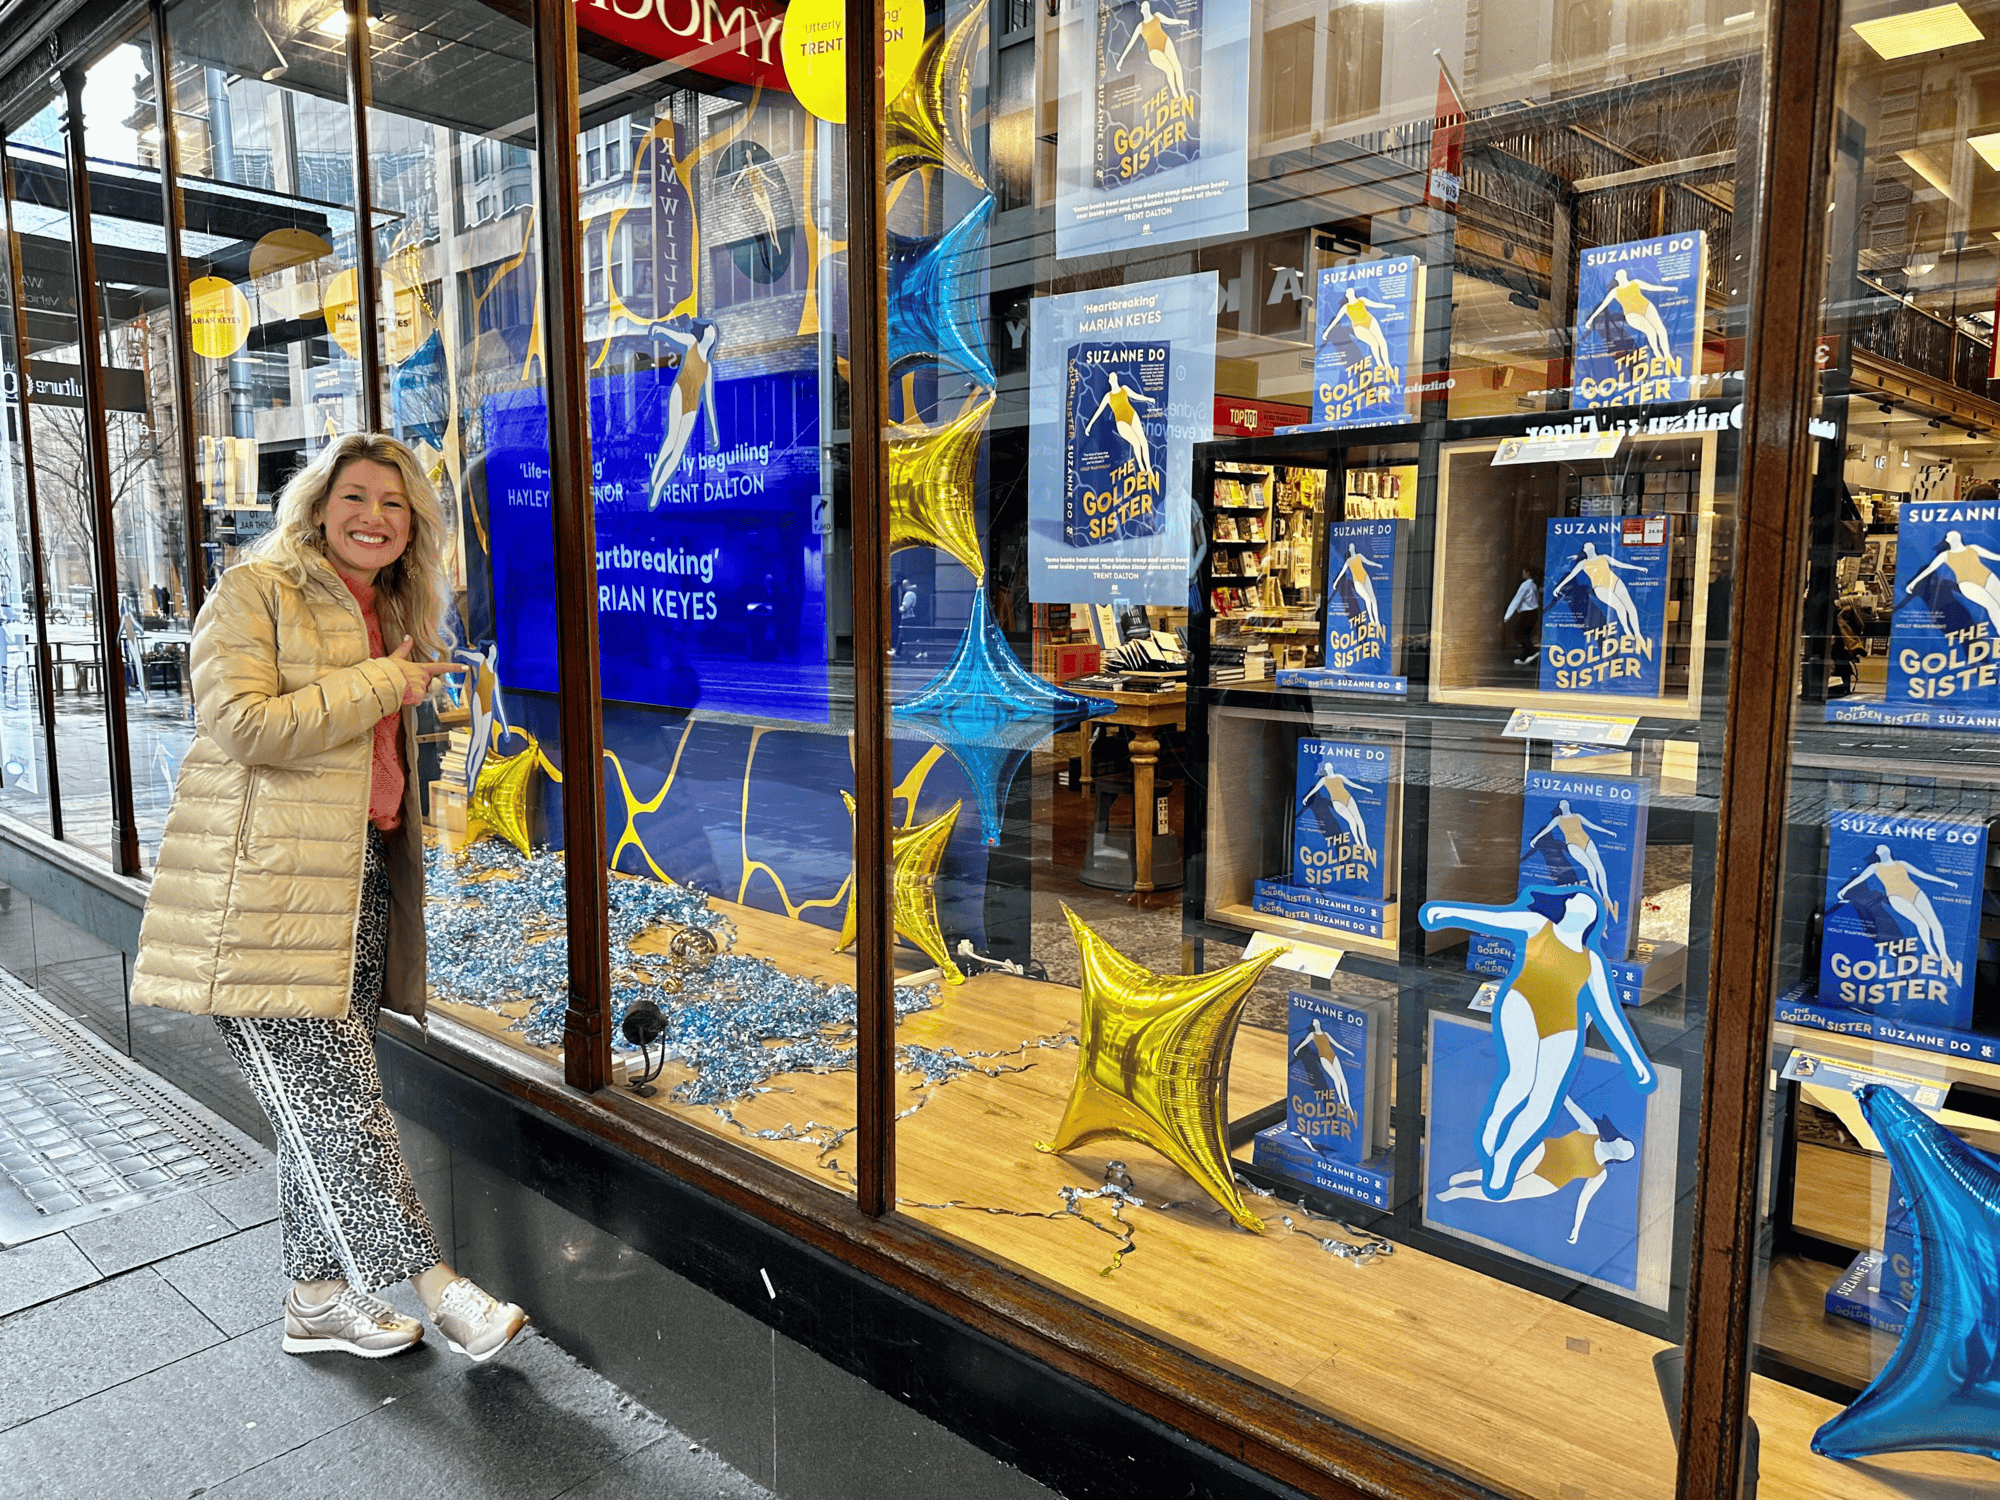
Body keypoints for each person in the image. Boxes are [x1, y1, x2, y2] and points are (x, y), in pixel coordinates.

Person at [130, 433, 529, 1365]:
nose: (375, 517)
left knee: (324, 1107)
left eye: (395, 505)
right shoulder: (254, 591)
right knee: (341, 1110)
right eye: (356, 496)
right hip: (259, 904)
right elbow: (239, 725)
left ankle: (314, 1303)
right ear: (316, 505)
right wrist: (385, 681)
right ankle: (443, 1291)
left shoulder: (388, 608)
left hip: (351, 888)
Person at [1419, 889, 1655, 1197]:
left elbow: (1610, 1014)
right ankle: (1492, 1127)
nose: (1583, 907)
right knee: (1520, 1079)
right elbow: (1494, 919)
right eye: (1577, 902)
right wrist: (1450, 915)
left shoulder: (1592, 961)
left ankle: (1506, 1156)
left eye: (1589, 907)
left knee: (1542, 1104)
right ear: (1566, 906)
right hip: (1523, 1004)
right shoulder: (1538, 925)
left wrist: (1634, 1058)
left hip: (1564, 1026)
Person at [1436, 1098, 1635, 1244]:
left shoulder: (1600, 1173)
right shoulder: (1591, 1131)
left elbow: (1584, 1199)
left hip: (1550, 1181)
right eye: (1623, 1145)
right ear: (1618, 1138)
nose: (1619, 1148)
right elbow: (1569, 1103)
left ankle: (1458, 1193)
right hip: (1544, 1151)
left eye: (1623, 1153)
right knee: (1503, 1176)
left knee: (1502, 1195)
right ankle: (1472, 1175)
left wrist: (1576, 1227)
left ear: (1618, 1159)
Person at [1835, 844, 1958, 964]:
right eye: (1879, 849)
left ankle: (1943, 954)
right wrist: (1844, 889)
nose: (1881, 849)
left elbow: (1922, 875)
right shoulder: (1875, 867)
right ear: (1877, 853)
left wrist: (1945, 881)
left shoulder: (1901, 863)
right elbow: (1861, 878)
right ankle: (1930, 949)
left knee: (1934, 923)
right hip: (1896, 897)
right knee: (1921, 922)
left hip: (1915, 892)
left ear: (1888, 851)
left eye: (1883, 848)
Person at [647, 320, 721, 506]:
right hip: (680, 391)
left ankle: (658, 489)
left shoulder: (708, 367)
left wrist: (713, 430)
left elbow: (709, 401)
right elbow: (675, 336)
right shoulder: (691, 343)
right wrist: (660, 330)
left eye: (713, 333)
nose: (712, 335)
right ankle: (655, 473)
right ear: (703, 334)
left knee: (678, 451)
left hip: (692, 404)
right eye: (709, 331)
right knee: (671, 439)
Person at [1550, 541, 1652, 657]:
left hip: (1615, 582)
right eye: (1587, 546)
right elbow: (1571, 575)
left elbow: (1620, 564)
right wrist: (1558, 587)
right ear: (1584, 550)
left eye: (1591, 546)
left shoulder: (1604, 557)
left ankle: (1637, 634)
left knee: (1631, 607)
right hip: (1600, 587)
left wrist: (1637, 568)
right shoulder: (1583, 563)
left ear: (1594, 548)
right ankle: (1628, 632)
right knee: (1620, 607)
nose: (1589, 547)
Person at [1527, 799, 1621, 923]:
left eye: (1565, 803)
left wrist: (1607, 831)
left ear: (1568, 805)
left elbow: (1592, 825)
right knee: (1590, 867)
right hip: (1572, 844)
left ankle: (1606, 895)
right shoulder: (1558, 819)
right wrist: (1536, 839)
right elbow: (1547, 829)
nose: (1564, 804)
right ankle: (1596, 891)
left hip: (1586, 841)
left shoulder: (1578, 816)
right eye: (1561, 803)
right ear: (1560, 807)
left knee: (1599, 867)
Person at [1903, 527, 2000, 636]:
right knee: (1992, 606)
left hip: (1988, 577)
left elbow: (1996, 557)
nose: (1947, 539)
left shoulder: (1973, 548)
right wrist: (1913, 582)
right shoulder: (1945, 555)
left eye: (1948, 537)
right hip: (1967, 583)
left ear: (1955, 539)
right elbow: (1930, 569)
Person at [1583, 268, 1678, 364]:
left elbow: (1651, 287)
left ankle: (1667, 354)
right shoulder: (1615, 291)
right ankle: (1656, 351)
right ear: (1616, 278)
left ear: (1625, 275)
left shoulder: (1635, 283)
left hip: (1646, 306)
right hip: (1631, 314)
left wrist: (1668, 288)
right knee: (1651, 331)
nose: (1621, 277)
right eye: (1619, 275)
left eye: (1622, 274)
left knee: (1661, 329)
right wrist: (1591, 319)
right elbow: (1603, 305)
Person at [1083, 371, 1158, 480]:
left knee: (1143, 440)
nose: (1113, 378)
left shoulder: (1124, 389)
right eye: (1111, 376)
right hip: (1121, 422)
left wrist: (1148, 399)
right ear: (1109, 380)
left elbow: (1136, 396)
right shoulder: (1108, 396)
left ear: (1117, 378)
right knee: (1136, 443)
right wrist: (1089, 425)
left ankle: (1149, 468)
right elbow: (1099, 411)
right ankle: (1142, 470)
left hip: (1132, 415)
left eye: (1114, 376)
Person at [1115, 0, 1193, 102]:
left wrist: (1181, 22)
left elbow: (1169, 21)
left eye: (1147, 6)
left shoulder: (1157, 16)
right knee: (1169, 69)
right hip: (1154, 51)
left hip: (1165, 41)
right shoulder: (1140, 26)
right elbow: (1131, 43)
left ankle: (1182, 93)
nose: (1146, 8)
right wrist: (1121, 59)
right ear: (1142, 10)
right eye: (1144, 6)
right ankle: (1175, 94)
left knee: (1177, 66)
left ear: (1149, 8)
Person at [1299, 762, 1373, 863]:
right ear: (1325, 769)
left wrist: (1365, 789)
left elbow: (1352, 784)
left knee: (1359, 820)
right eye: (1326, 766)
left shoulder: (1340, 776)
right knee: (1351, 820)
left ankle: (1365, 844)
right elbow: (1316, 788)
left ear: (1332, 767)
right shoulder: (1324, 780)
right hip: (1337, 802)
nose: (1328, 767)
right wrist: (1307, 797)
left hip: (1348, 798)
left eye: (1329, 766)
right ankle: (1357, 839)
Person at [1504, 566, 1540, 664]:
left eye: (1524, 572)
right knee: (1525, 634)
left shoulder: (1525, 585)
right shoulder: (1533, 585)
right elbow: (1537, 597)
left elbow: (1517, 600)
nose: (1523, 574)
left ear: (1528, 573)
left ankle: (1532, 651)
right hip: (1533, 612)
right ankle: (1524, 657)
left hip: (1527, 613)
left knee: (1518, 633)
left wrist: (1508, 615)